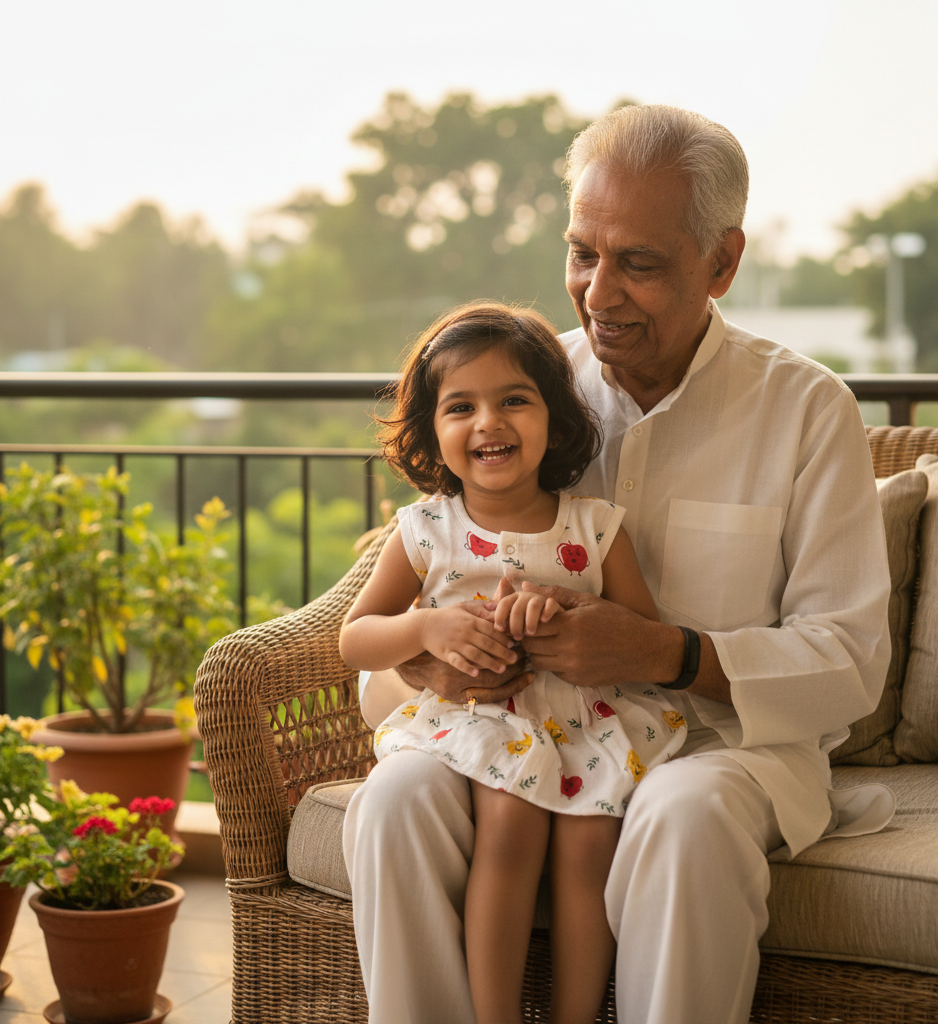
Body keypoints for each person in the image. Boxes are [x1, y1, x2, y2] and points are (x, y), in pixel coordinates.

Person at [342, 104, 895, 1024]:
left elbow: (848, 661)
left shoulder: (808, 410)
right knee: (395, 795)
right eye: (582, 254)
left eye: (638, 263)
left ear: (722, 262)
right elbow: (387, 641)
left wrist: (659, 654)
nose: (598, 294)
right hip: (513, 730)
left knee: (683, 814)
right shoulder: (517, 396)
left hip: (725, 747)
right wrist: (430, 659)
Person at [340, 302, 687, 1024]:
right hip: (481, 720)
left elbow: (642, 633)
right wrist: (428, 626)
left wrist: (562, 616)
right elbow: (356, 637)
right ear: (433, 434)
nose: (488, 422)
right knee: (511, 825)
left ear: (556, 422)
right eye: (460, 407)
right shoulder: (427, 531)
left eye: (514, 401)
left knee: (592, 841)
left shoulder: (593, 527)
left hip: (584, 718)